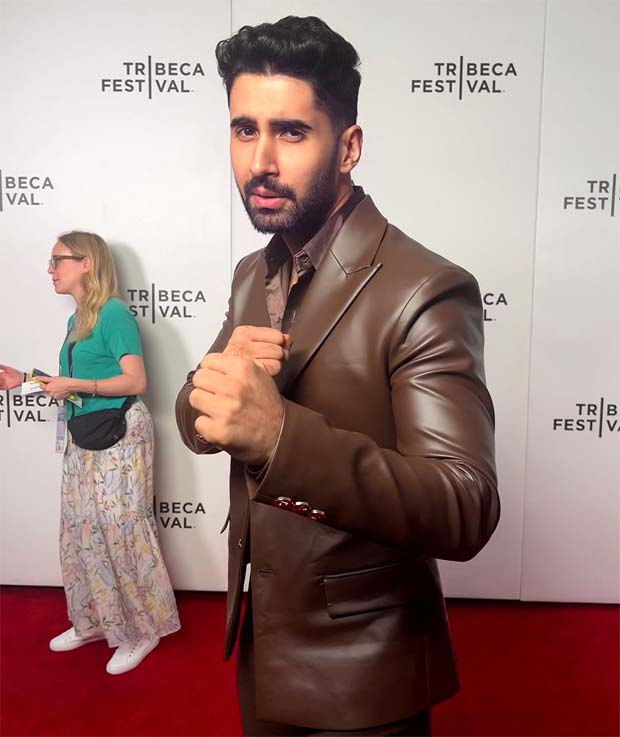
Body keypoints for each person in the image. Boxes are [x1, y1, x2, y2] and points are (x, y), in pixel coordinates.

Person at [175, 15, 499, 736]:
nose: (260, 159)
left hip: (367, 671)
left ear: (347, 145)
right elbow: (206, 409)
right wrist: (206, 389)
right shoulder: (252, 272)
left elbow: (465, 503)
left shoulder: (425, 288)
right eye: (243, 129)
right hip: (264, 648)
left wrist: (280, 434)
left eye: (291, 132)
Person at [0, 231, 180, 675]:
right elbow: (72, 391)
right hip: (85, 432)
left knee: (120, 529)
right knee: (80, 529)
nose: (50, 269)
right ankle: (95, 620)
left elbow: (135, 382)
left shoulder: (113, 313)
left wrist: (75, 385)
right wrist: (24, 377)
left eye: (57, 260)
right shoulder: (76, 320)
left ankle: (143, 629)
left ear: (86, 263)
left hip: (122, 432)